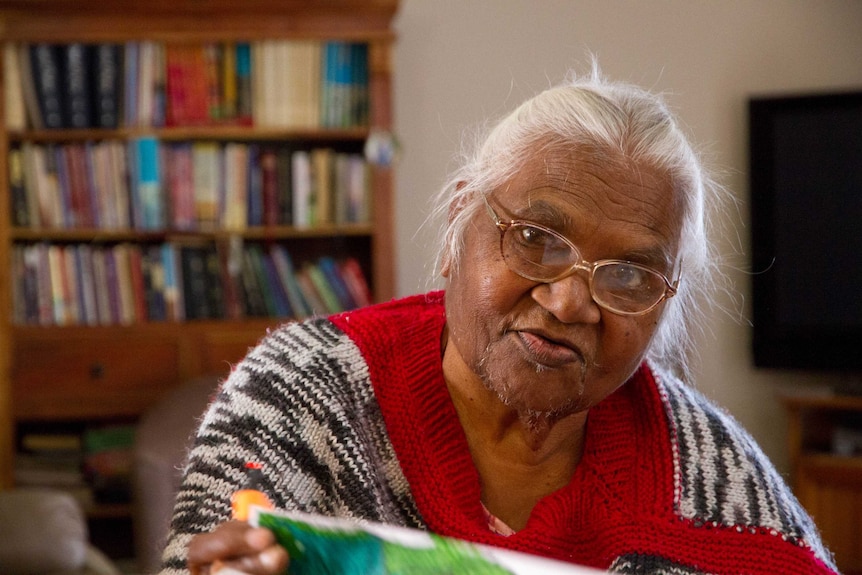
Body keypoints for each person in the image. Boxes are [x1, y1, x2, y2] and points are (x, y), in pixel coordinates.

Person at [159, 66, 839, 575]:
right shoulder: (303, 387)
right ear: (461, 224)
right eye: (537, 238)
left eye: (629, 274)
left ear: (665, 303)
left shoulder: (710, 469)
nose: (570, 302)